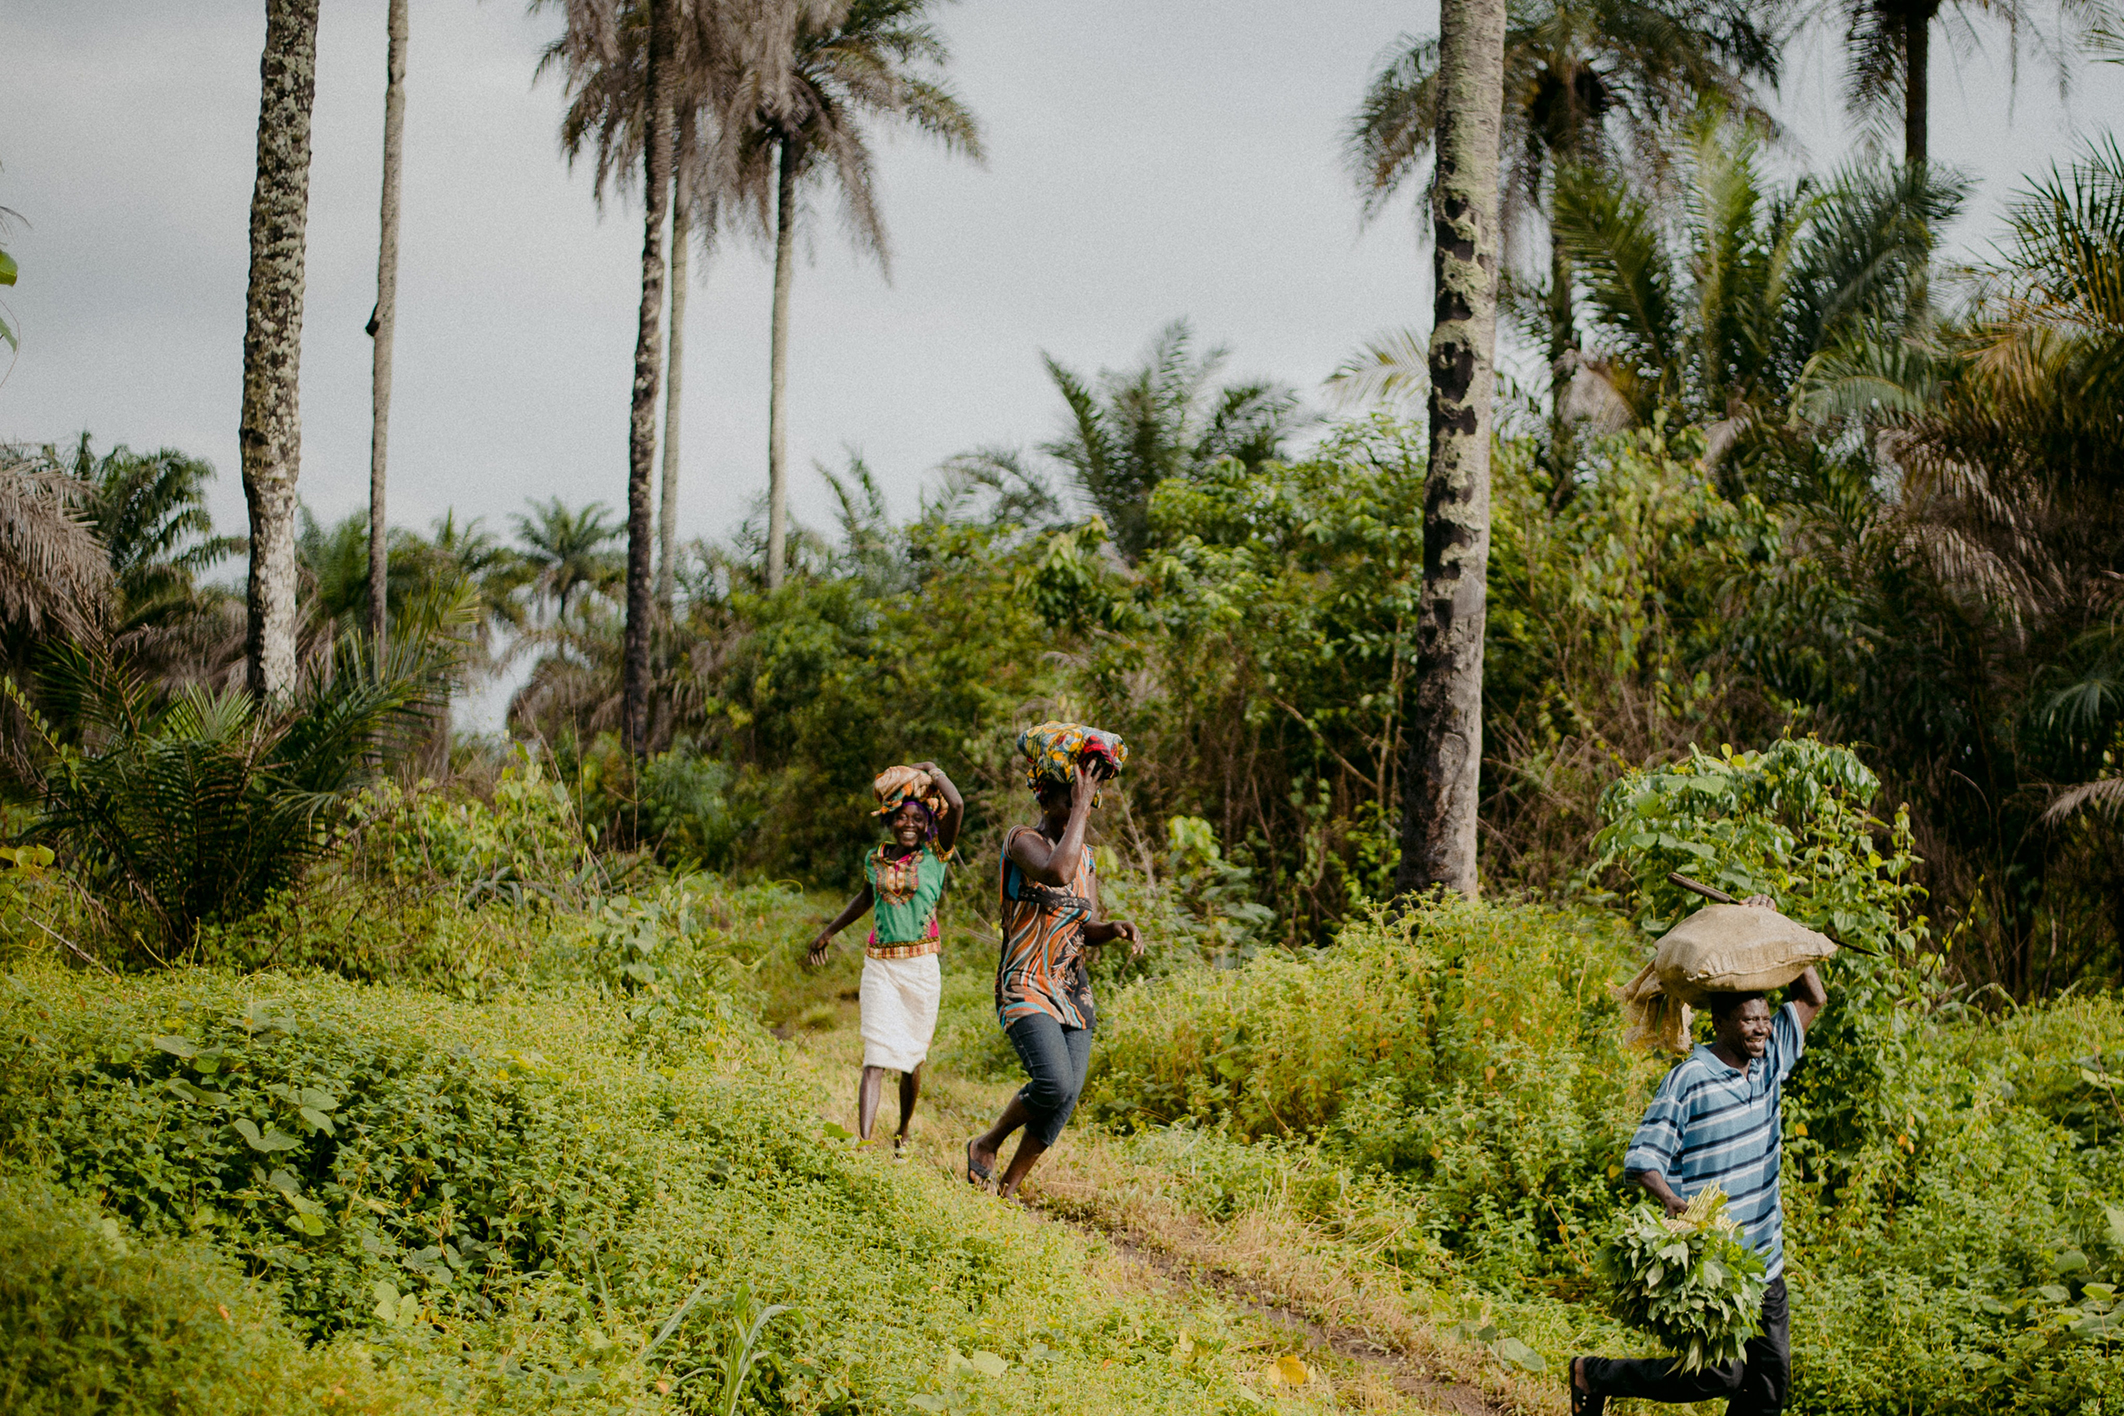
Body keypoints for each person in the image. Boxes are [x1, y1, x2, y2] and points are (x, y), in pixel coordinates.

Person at [1571, 895, 1829, 1416]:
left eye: (1765, 1018)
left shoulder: (1770, 1061)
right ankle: (1591, 1374)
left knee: (1770, 1387)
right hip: (1717, 1266)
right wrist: (1672, 1201)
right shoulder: (1690, 1079)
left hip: (1766, 1260)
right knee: (1717, 1374)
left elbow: (1812, 999)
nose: (1762, 1028)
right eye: (1751, 1020)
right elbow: (1643, 1158)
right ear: (1723, 1023)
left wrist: (1768, 921)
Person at [966, 726, 1142, 1200]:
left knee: (1066, 1098)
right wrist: (1082, 805)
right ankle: (986, 1143)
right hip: (1024, 982)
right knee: (1052, 1081)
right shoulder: (1021, 841)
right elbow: (1055, 872)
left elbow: (1083, 925)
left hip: (1072, 990)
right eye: (1072, 804)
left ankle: (1009, 1190)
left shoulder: (1085, 856)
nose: (1080, 815)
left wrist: (1113, 930)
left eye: (1085, 804)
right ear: (1047, 800)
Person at [806, 762, 963, 1158]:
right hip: (879, 965)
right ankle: (862, 1142)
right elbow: (865, 898)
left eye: (916, 819)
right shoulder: (873, 860)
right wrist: (829, 931)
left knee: (912, 1059)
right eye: (901, 818)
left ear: (927, 825)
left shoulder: (936, 855)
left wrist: (932, 770)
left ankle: (903, 1131)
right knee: (875, 1055)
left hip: (922, 968)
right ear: (890, 821)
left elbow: (957, 805)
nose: (908, 825)